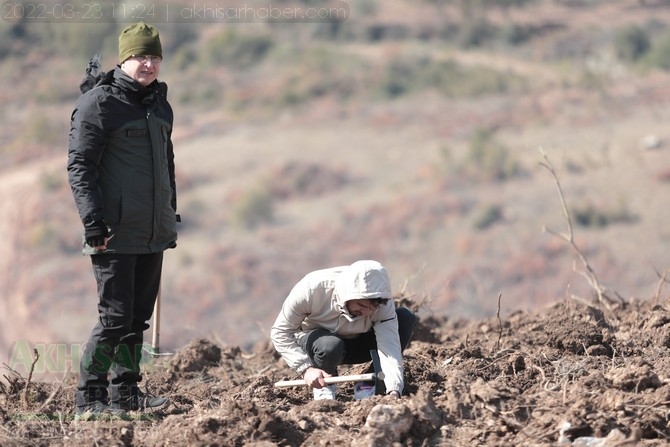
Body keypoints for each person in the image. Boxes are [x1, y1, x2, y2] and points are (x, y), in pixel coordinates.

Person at [67, 22, 178, 419]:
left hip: (153, 231)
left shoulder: (159, 104)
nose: (148, 64)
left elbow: (166, 163)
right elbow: (80, 166)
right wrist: (92, 223)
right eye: (139, 57)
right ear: (123, 59)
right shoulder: (99, 104)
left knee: (136, 321)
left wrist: (170, 213)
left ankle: (126, 393)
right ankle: (89, 399)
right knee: (113, 319)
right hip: (112, 233)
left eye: (154, 57)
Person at [270, 260, 417, 400]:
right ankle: (325, 385)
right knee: (330, 345)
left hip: (356, 343)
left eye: (372, 308)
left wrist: (394, 388)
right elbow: (280, 332)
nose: (366, 313)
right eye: (361, 305)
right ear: (348, 295)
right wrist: (306, 369)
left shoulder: (382, 302)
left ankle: (368, 383)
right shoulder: (312, 290)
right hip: (318, 345)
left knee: (405, 317)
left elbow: (389, 346)